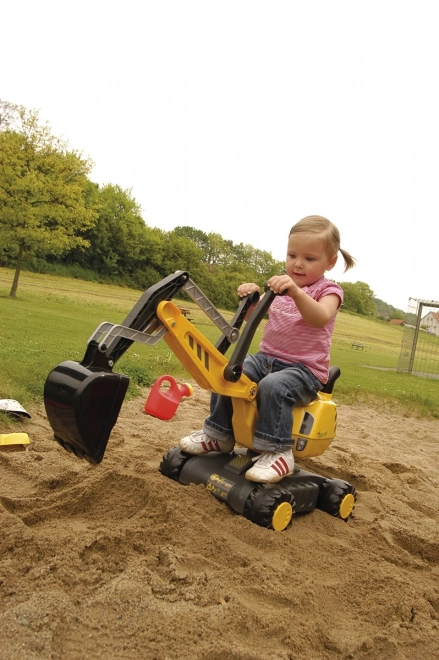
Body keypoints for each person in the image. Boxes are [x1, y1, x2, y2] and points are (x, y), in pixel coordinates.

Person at [179, 215, 356, 483]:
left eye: (309, 259)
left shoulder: (329, 290)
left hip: (304, 371)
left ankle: (279, 452)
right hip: (266, 360)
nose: (298, 263)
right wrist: (249, 298)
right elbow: (255, 314)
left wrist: (296, 292)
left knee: (274, 387)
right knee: (230, 373)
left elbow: (320, 316)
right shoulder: (281, 286)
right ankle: (218, 434)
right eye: (292, 254)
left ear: (330, 262)